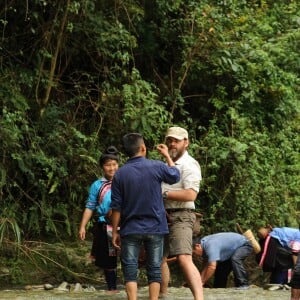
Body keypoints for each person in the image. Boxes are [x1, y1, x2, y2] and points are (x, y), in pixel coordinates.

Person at [110, 133, 180, 300]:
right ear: (143, 148)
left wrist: (114, 232)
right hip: (155, 227)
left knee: (130, 268)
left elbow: (116, 207)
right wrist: (167, 156)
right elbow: (175, 176)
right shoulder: (156, 166)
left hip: (130, 228)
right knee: (155, 268)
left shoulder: (120, 174)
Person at [158, 126, 203, 300]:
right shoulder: (166, 164)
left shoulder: (189, 164)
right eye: (169, 140)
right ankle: (162, 295)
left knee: (184, 257)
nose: (172, 143)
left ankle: (199, 298)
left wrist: (163, 194)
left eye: (176, 140)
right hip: (163, 215)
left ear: (186, 142)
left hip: (182, 214)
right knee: (159, 258)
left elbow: (191, 194)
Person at [78, 146, 120, 293]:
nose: (112, 168)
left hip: (125, 223)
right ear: (102, 167)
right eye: (108, 165)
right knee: (109, 259)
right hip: (105, 225)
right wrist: (82, 226)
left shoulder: (125, 181)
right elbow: (90, 206)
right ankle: (112, 289)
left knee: (129, 256)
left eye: (114, 164)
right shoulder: (97, 185)